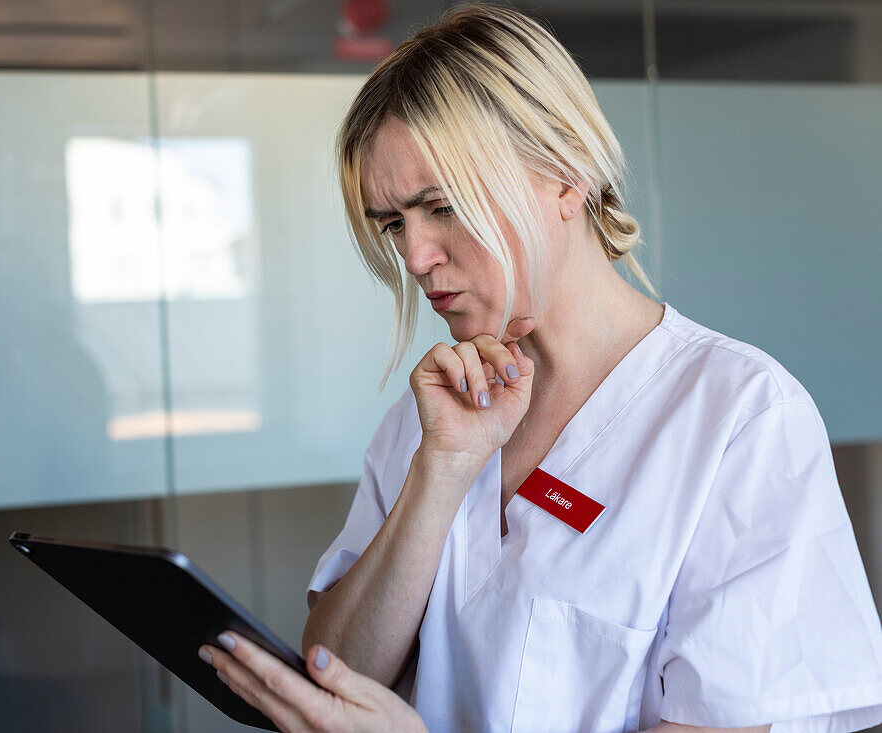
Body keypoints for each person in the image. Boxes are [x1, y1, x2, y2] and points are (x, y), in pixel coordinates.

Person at [199, 5, 882, 731]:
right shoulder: (432, 415)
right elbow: (336, 673)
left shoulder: (739, 419)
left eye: (443, 205)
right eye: (394, 223)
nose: (416, 255)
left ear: (567, 175)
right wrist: (440, 471)